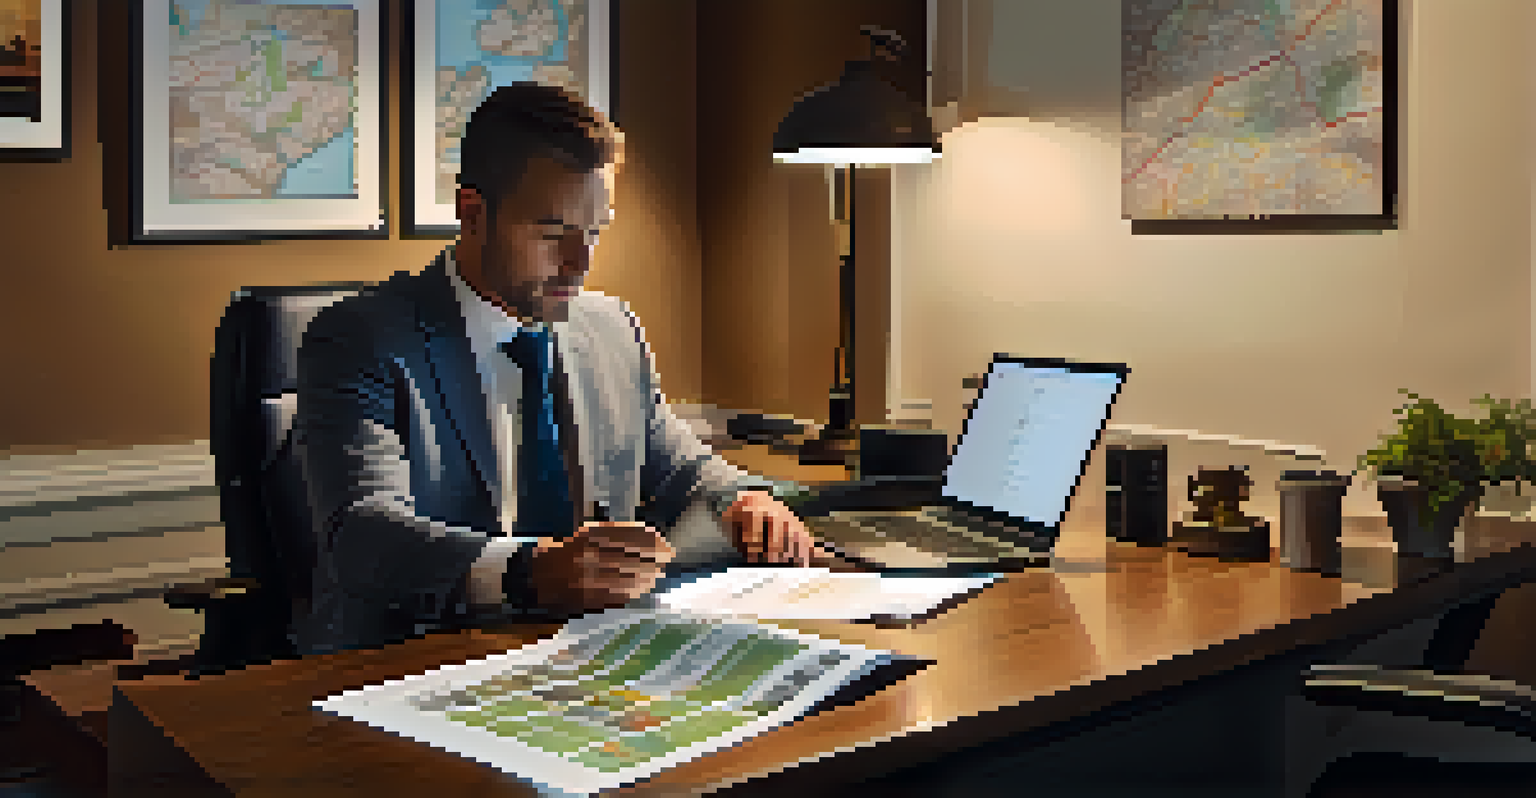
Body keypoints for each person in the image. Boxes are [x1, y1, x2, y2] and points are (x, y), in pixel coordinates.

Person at [294, 82, 815, 653]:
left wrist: (743, 499)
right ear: (473, 214)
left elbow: (680, 462)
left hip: (591, 657)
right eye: (553, 234)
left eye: (594, 232)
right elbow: (364, 536)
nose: (580, 262)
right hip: (410, 658)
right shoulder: (360, 338)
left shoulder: (613, 328)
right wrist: (529, 572)